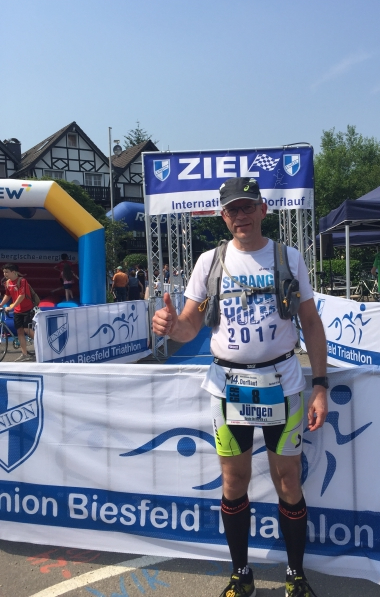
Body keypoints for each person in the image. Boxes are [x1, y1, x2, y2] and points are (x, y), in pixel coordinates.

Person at [152, 177, 328, 597]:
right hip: (228, 386)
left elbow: (311, 322)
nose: (241, 215)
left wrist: (320, 385)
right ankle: (241, 573)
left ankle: (296, 575)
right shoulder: (209, 261)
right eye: (233, 209)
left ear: (263, 210)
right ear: (223, 216)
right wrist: (171, 327)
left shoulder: (288, 257)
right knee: (234, 481)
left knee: (289, 479)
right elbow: (190, 325)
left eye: (248, 206)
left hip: (282, 383)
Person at [0, 264, 35, 361]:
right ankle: (25, 354)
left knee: (27, 330)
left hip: (27, 309)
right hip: (17, 311)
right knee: (19, 331)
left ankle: (42, 344)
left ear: (14, 272)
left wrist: (12, 306)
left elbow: (21, 295)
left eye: (7, 272)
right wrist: (1, 304)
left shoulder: (22, 281)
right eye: (4, 272)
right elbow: (8, 295)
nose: (5, 274)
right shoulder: (7, 283)